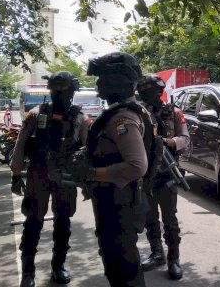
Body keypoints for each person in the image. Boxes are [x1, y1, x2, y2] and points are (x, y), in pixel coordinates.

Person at [72, 52, 153, 286]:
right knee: (117, 262)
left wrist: (92, 174)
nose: (97, 84)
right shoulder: (122, 112)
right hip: (116, 200)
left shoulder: (123, 118)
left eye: (102, 78)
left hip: (120, 202)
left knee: (123, 268)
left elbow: (137, 166)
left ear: (116, 81)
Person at [9, 71, 88, 287]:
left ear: (72, 93)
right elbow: (20, 145)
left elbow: (86, 148)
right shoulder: (36, 114)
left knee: (63, 222)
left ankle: (58, 266)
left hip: (66, 179)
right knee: (33, 222)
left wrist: (88, 179)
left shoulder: (80, 117)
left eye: (64, 91)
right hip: (39, 175)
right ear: (51, 91)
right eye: (56, 91)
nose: (59, 95)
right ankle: (28, 273)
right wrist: (16, 174)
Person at [137, 75, 190, 280]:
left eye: (151, 90)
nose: (147, 95)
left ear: (159, 92)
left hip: (167, 173)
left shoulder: (173, 112)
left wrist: (166, 142)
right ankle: (157, 253)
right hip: (145, 174)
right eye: (144, 91)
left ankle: (173, 259)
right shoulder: (138, 113)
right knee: (150, 218)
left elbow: (185, 139)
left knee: (170, 220)